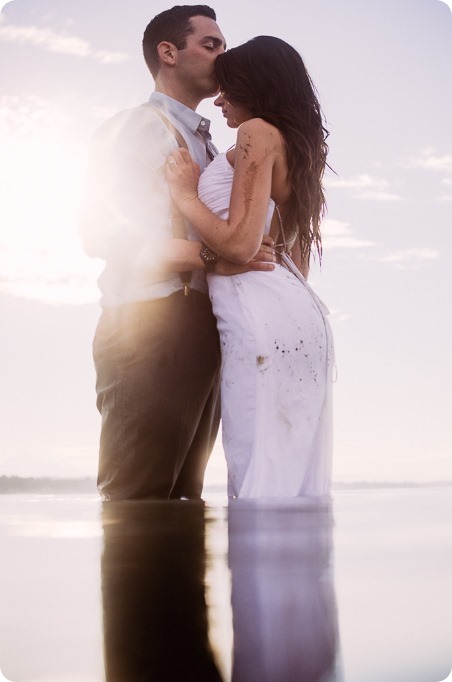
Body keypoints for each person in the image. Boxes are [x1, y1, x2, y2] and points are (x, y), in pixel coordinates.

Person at [80, 7, 275, 501]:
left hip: (200, 325)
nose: (223, 55)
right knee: (138, 499)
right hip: (149, 324)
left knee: (184, 503)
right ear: (168, 53)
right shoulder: (137, 127)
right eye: (211, 45)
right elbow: (102, 234)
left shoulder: (208, 143)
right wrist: (211, 258)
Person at [166, 36, 335, 499]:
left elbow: (240, 245)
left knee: (256, 456)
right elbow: (291, 256)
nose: (220, 99)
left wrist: (184, 196)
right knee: (287, 460)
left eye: (230, 88)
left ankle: (262, 566)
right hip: (294, 309)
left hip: (258, 310)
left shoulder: (256, 132)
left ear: (257, 87)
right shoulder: (296, 148)